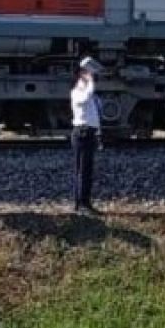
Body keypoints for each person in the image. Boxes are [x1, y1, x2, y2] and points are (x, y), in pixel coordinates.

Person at [70, 56, 102, 214]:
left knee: (87, 171)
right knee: (81, 171)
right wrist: (89, 82)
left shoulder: (91, 94)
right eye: (86, 75)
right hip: (81, 133)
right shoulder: (77, 92)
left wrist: (99, 133)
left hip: (89, 133)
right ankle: (79, 205)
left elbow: (95, 115)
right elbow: (85, 98)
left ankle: (86, 203)